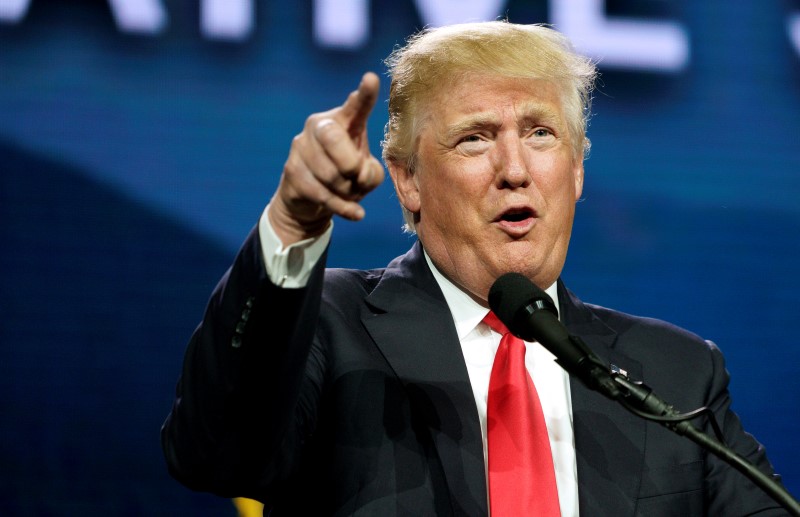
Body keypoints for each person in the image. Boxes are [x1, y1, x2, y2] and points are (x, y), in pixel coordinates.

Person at [161, 21, 788, 516]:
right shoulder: (331, 327)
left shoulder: (675, 375)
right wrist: (293, 224)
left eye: (541, 133)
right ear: (407, 180)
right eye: (475, 138)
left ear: (576, 173)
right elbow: (218, 457)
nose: (514, 169)